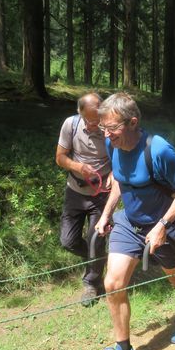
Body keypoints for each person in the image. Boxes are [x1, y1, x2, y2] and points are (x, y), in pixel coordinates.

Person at [91, 92, 175, 350]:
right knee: (113, 283)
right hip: (129, 222)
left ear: (132, 122)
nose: (106, 134)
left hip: (163, 225)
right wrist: (106, 214)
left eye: (112, 128)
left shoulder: (159, 149)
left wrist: (163, 225)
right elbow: (118, 182)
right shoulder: (111, 144)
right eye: (103, 128)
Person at [55, 93, 111, 306]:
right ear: (80, 114)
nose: (96, 125)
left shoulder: (109, 127)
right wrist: (78, 167)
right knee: (67, 242)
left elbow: (122, 155)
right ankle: (97, 258)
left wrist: (115, 174)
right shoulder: (71, 124)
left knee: (96, 238)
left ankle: (91, 283)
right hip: (75, 190)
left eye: (99, 119)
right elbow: (59, 157)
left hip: (102, 194)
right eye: (91, 120)